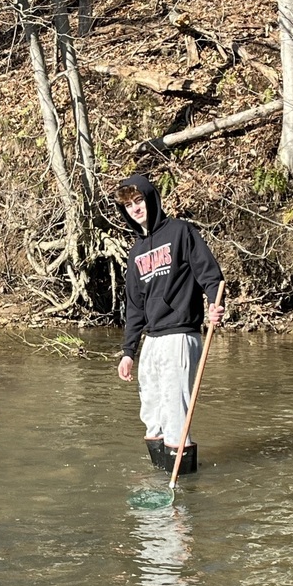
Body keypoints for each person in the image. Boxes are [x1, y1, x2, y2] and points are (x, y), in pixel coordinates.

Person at [115, 173, 224, 475]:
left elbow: (211, 276)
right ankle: (161, 479)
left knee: (177, 416)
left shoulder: (181, 232)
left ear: (151, 199)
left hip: (180, 334)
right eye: (129, 205)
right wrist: (128, 352)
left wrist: (215, 305)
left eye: (139, 201)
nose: (135, 208)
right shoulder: (135, 252)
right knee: (152, 416)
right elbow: (135, 306)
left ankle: (184, 495)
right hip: (152, 341)